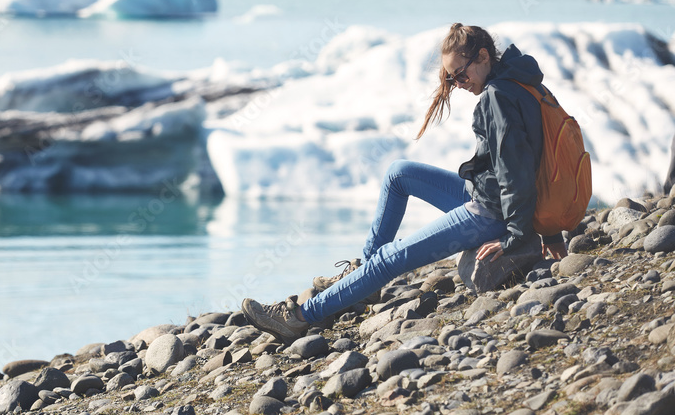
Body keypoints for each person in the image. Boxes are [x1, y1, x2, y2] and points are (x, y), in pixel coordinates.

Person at [241, 23, 569, 343]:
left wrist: (514, 236)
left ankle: (300, 317)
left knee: (391, 258)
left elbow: (518, 172)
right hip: (486, 193)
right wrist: (551, 231)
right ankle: (363, 278)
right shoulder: (519, 79)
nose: (458, 83)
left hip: (491, 212)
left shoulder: (498, 96)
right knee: (399, 173)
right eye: (451, 78)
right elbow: (536, 156)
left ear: (483, 56)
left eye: (460, 73)